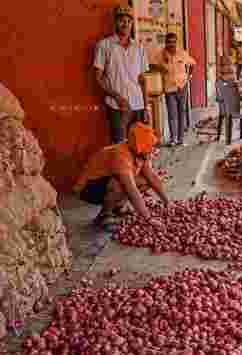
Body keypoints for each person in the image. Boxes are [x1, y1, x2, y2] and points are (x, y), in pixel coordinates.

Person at [74, 122, 170, 229]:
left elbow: (152, 178)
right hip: (88, 187)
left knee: (145, 182)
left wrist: (167, 202)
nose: (151, 150)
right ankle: (104, 215)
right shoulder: (121, 155)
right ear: (139, 147)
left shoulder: (141, 154)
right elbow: (131, 189)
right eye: (148, 147)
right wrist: (149, 218)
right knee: (119, 185)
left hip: (106, 182)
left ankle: (118, 207)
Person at [94, 7, 149, 144]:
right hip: (117, 107)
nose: (125, 24)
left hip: (138, 105)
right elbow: (99, 78)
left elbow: (142, 79)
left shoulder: (139, 47)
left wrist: (146, 107)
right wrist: (117, 97)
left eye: (129, 21)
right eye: (121, 21)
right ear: (115, 22)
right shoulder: (104, 46)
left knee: (139, 145)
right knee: (120, 146)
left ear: (132, 24)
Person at [150, 32, 195, 146]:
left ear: (176, 42)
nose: (171, 44)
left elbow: (192, 63)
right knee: (172, 114)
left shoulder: (182, 53)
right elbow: (151, 65)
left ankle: (181, 139)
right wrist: (160, 68)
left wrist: (189, 76)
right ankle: (173, 139)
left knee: (181, 112)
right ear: (165, 43)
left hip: (182, 87)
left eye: (173, 42)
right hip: (169, 88)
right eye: (169, 42)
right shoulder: (160, 54)